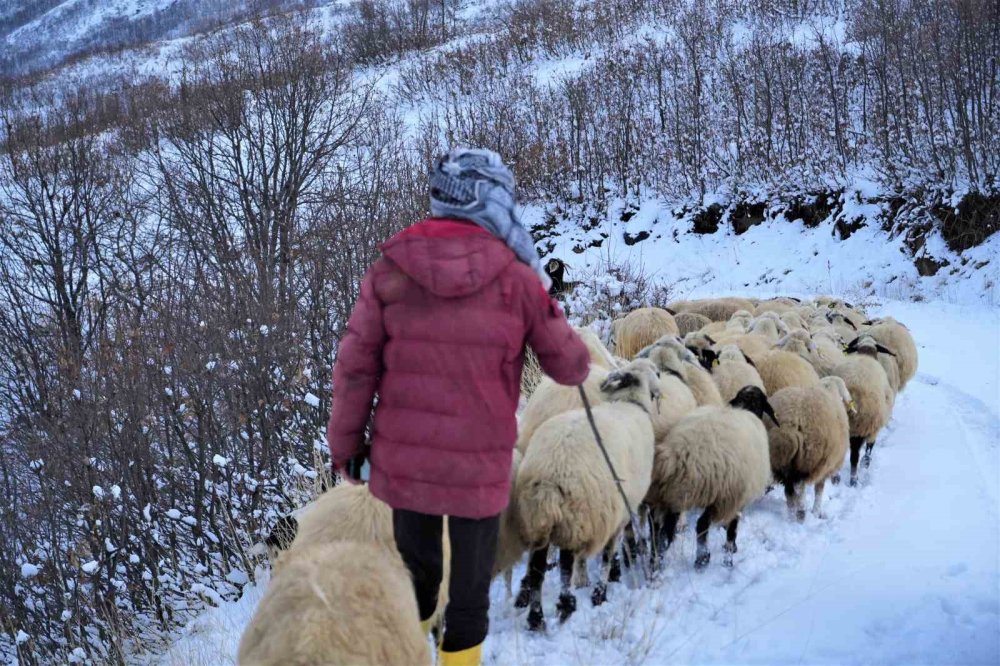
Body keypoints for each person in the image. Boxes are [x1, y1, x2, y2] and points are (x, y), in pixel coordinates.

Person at [327, 148, 589, 666]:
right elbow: (572, 367)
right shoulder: (517, 277)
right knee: (469, 595)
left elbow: (355, 367)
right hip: (479, 464)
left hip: (408, 465)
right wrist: (543, 293)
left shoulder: (391, 268)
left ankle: (410, 654)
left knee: (416, 582)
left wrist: (347, 448)